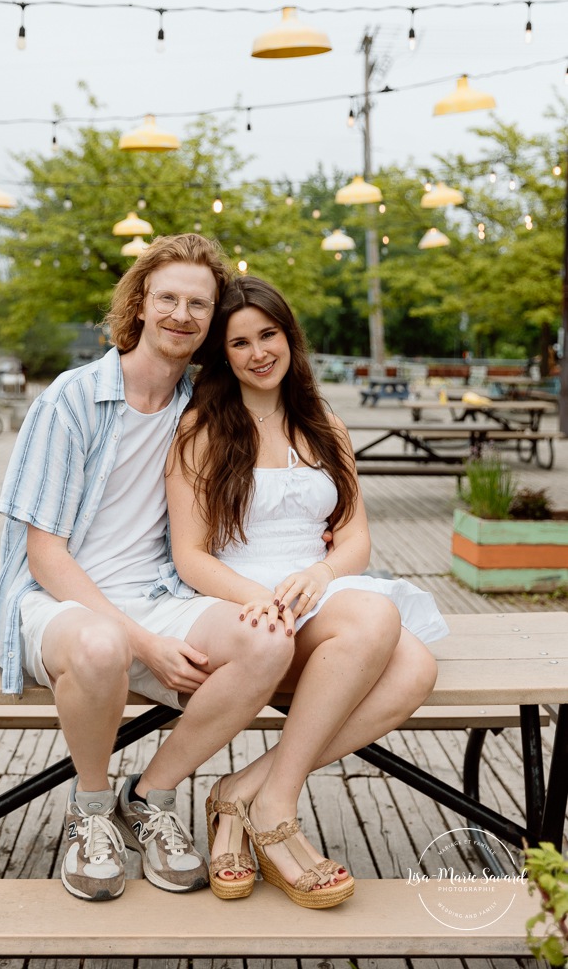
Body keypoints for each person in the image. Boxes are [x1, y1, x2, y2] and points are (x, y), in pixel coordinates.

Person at [0, 238, 295, 903]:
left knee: (268, 639)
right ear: (139, 305)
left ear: (210, 319)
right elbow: (46, 555)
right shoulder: (71, 400)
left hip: (160, 592)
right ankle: (89, 815)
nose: (182, 313)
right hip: (56, 602)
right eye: (168, 298)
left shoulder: (199, 408)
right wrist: (143, 643)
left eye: (198, 304)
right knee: (101, 643)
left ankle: (149, 798)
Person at [166, 275, 447, 909]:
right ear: (222, 354)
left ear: (289, 336)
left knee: (415, 666)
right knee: (377, 621)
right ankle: (275, 812)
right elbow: (189, 554)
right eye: (239, 342)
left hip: (320, 595)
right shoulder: (201, 430)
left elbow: (354, 538)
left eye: (269, 334)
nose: (258, 352)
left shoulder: (323, 423)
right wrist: (254, 598)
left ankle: (249, 793)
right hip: (239, 605)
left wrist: (321, 575)